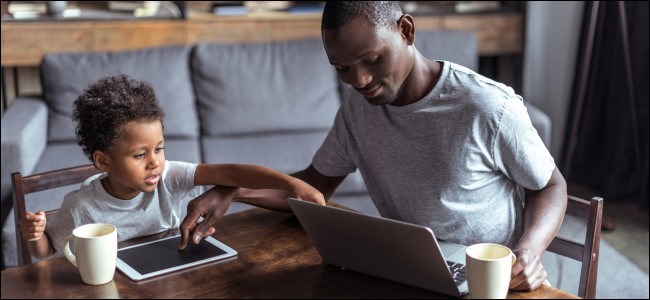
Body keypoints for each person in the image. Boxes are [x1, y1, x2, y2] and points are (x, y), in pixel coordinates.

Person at [179, 1, 568, 292]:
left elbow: (550, 185)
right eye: (343, 69)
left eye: (372, 59)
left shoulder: (487, 106)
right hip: (406, 271)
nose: (360, 80)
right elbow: (314, 187)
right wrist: (234, 189)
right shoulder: (357, 109)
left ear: (406, 31)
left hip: (487, 281)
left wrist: (529, 251)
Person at [19, 74, 325, 260]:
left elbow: (233, 172)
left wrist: (292, 184)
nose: (155, 161)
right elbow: (48, 252)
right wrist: (35, 237)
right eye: (140, 155)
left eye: (159, 148)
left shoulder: (169, 176)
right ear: (104, 161)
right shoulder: (81, 207)